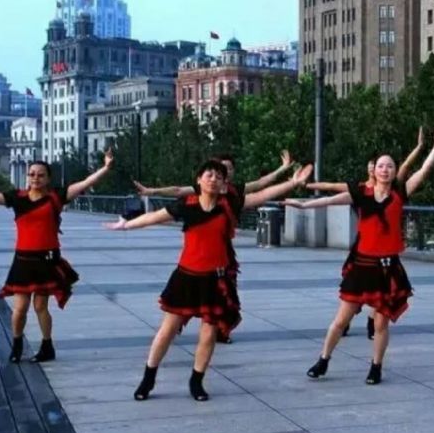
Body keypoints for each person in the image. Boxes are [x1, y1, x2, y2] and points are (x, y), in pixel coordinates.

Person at [106, 159, 311, 401]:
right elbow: (154, 217)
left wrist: (292, 183)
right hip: (185, 277)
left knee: (208, 333)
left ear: (224, 184)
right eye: (209, 175)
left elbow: (263, 194)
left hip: (215, 280)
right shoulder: (187, 204)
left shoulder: (229, 205)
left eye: (218, 176)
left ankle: (197, 381)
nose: (213, 179)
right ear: (199, 180)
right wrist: (126, 225)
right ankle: (148, 378)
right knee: (167, 330)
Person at [287, 123, 434, 385]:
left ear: (395, 171)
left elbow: (423, 170)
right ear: (374, 170)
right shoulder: (361, 193)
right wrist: (303, 205)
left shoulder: (400, 193)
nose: (385, 169)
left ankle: (376, 367)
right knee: (341, 320)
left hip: (387, 268)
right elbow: (329, 200)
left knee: (380, 325)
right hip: (362, 266)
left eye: (390, 166)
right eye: (381, 165)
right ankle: (323, 360)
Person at [134, 150, 295, 344]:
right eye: (219, 168)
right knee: (189, 292)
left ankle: (221, 330)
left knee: (225, 291)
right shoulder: (204, 188)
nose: (222, 172)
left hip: (223, 250)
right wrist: (151, 192)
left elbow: (262, 186)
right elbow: (177, 190)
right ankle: (177, 323)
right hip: (201, 251)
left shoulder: (236, 191)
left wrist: (282, 169)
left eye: (228, 169)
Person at [0, 150, 114, 363]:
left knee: (40, 306)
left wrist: (105, 168)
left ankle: (47, 346)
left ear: (48, 178)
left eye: (40, 175)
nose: (35, 178)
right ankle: (17, 345)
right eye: (32, 174)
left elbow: (85, 183)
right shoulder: (16, 197)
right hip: (23, 261)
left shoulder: (56, 197)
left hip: (46, 260)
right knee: (20, 308)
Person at [306, 128, 424, 340]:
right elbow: (331, 188)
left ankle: (373, 323)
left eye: (385, 166)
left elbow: (407, 166)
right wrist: (306, 185)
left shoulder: (394, 190)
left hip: (383, 250)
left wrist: (420, 147)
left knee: (380, 290)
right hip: (363, 247)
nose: (379, 170)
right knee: (356, 288)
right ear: (371, 170)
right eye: (376, 166)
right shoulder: (360, 190)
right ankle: (346, 321)